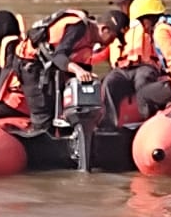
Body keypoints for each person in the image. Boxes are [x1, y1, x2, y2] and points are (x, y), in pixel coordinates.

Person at [11, 7, 106, 135]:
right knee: (43, 114)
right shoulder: (78, 28)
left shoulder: (89, 39)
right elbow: (59, 57)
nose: (110, 44)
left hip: (49, 65)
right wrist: (78, 71)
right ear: (105, 29)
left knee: (66, 109)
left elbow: (80, 64)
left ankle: (68, 138)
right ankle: (40, 140)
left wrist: (87, 77)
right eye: (113, 37)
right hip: (30, 64)